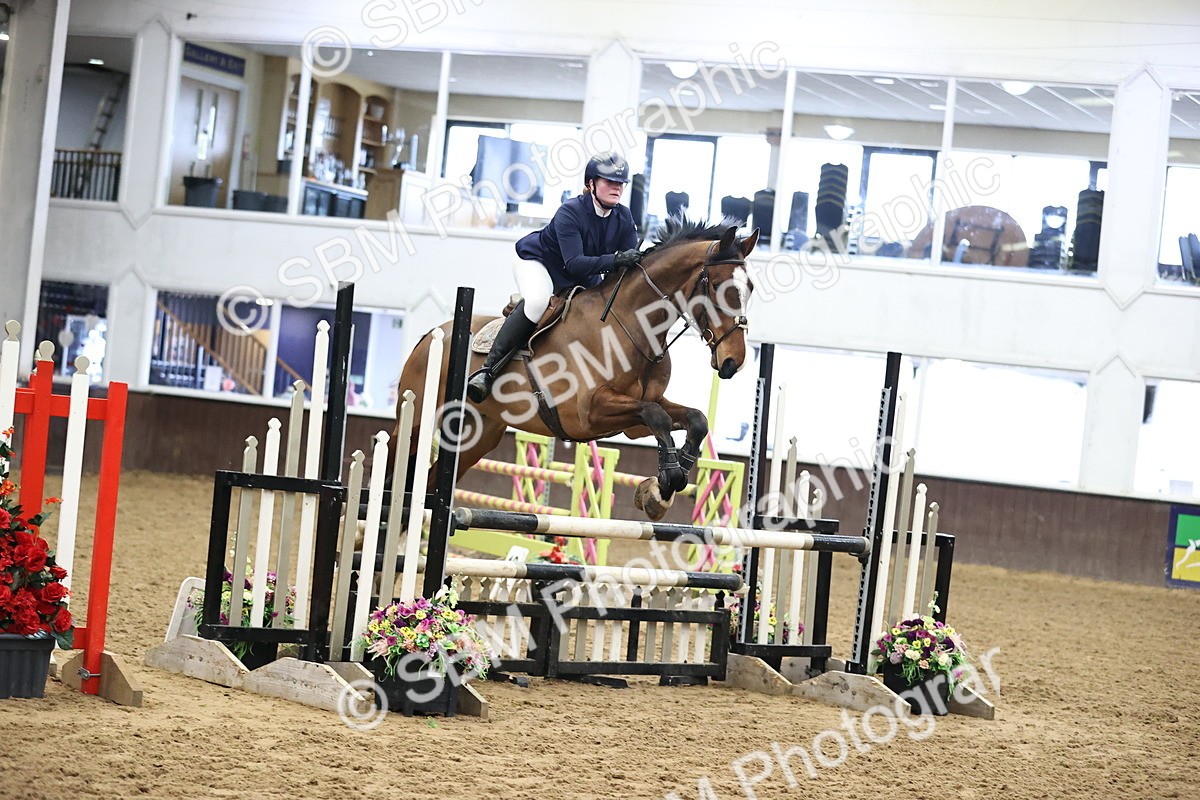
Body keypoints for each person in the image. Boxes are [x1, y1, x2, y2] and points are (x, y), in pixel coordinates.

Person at [465, 151, 643, 402]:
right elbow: (575, 263)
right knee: (538, 301)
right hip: (541, 263)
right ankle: (488, 371)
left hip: (585, 275)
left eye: (620, 183)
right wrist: (615, 260)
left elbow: (627, 266)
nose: (617, 188)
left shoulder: (624, 216)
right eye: (609, 182)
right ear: (591, 183)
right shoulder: (571, 211)